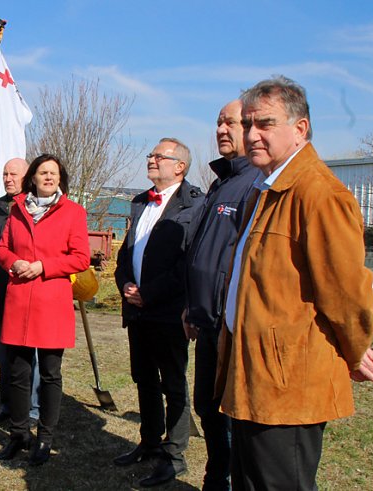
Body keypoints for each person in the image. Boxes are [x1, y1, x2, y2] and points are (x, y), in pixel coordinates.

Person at [219, 76, 373, 490]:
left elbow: (346, 293)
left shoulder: (319, 194)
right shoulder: (266, 188)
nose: (251, 135)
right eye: (248, 124)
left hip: (288, 382)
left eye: (265, 124)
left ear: (300, 129)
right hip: (253, 374)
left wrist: (355, 347)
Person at [113, 138, 204, 487]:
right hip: (137, 311)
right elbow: (126, 252)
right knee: (144, 379)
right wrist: (125, 284)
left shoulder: (195, 205)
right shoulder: (139, 202)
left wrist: (148, 293)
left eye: (158, 156)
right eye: (150, 154)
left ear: (179, 166)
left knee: (173, 383)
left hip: (169, 312)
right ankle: (150, 441)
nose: (150, 159)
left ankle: (174, 455)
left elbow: (188, 262)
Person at [0, 153, 90, 466]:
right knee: (18, 372)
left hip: (52, 301)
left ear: (60, 179)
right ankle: (18, 434)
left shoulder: (73, 212)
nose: (48, 177)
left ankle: (45, 437)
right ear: (33, 177)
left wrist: (43, 266)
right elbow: (1, 249)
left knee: (49, 372)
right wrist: (13, 262)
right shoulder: (17, 209)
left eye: (54, 173)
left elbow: (80, 258)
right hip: (19, 299)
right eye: (43, 173)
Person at [183, 99, 260, 491]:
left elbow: (243, 261)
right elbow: (204, 253)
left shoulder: (255, 184)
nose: (221, 130)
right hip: (205, 321)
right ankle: (216, 480)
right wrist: (191, 306)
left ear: (251, 128)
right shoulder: (220, 183)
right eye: (217, 123)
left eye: (229, 122)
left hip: (230, 327)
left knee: (228, 417)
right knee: (208, 409)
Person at [0, 158, 40, 426]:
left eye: (13, 174)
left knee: (31, 355)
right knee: (3, 353)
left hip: (28, 289)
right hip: (1, 288)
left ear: (27, 175)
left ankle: (32, 409)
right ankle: (7, 404)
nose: (8, 178)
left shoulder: (36, 206)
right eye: (4, 173)